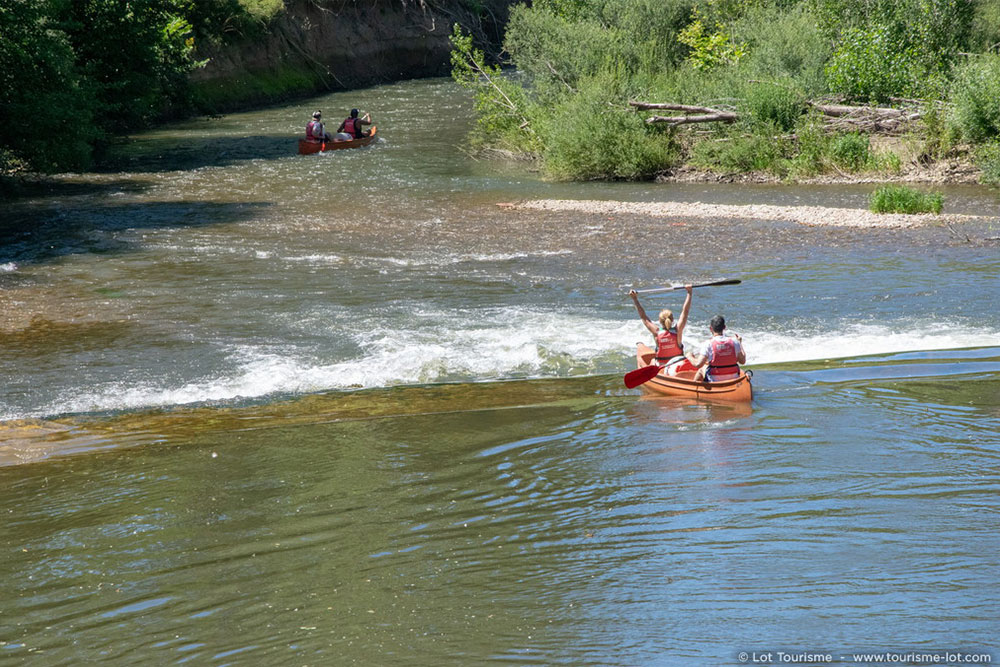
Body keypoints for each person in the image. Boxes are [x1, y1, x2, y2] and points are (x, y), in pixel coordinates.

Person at [629, 284, 692, 376]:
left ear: (660, 321)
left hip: (663, 368)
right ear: (672, 319)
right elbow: (685, 312)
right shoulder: (678, 331)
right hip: (678, 366)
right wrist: (689, 293)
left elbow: (644, 318)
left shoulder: (657, 332)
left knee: (652, 360)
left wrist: (635, 299)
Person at [686, 315, 746, 382]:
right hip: (733, 379)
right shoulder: (735, 342)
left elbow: (698, 364)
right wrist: (740, 343)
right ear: (724, 327)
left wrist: (690, 357)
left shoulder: (708, 344)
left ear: (711, 328)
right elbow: (742, 361)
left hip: (715, 380)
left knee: (702, 369)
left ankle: (695, 388)